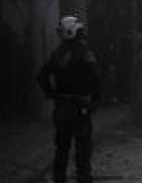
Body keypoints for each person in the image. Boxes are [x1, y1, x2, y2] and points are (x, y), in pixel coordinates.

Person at [37, 15, 100, 183]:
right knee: (83, 147)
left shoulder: (56, 54)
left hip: (61, 107)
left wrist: (51, 93)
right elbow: (96, 79)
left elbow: (41, 76)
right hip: (79, 108)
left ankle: (59, 178)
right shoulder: (84, 54)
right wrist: (95, 101)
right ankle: (83, 177)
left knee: (62, 147)